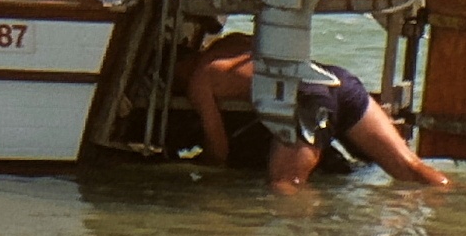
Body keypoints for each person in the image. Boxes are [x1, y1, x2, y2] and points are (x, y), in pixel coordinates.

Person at [184, 35, 448, 190]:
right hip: (336, 81)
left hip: (307, 98)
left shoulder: (199, 80)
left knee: (287, 186)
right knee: (410, 168)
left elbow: (219, 152)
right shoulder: (231, 43)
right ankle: (460, 198)